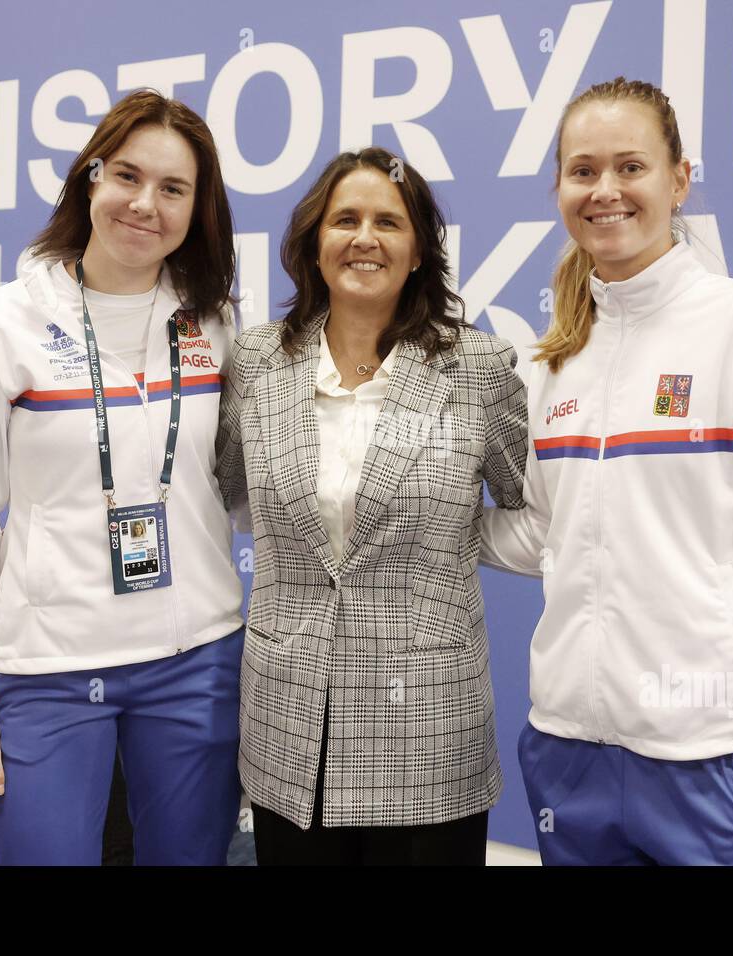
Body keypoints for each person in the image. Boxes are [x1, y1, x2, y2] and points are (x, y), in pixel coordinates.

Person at [478, 77, 733, 866]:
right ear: (559, 189)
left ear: (679, 180)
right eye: (582, 171)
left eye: (630, 167)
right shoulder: (553, 359)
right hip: (567, 749)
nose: (605, 190)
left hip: (711, 757)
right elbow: (546, 532)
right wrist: (420, 516)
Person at [0, 90, 246, 865]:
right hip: (48, 669)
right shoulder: (2, 327)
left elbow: (243, 493)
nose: (144, 204)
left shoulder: (216, 325)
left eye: (173, 189)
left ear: (199, 210)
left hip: (194, 659)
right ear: (89, 178)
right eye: (127, 176)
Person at [215, 146, 528, 865]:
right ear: (313, 244)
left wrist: (442, 543)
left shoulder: (478, 368)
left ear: (418, 250)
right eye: (344, 219)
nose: (364, 237)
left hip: (428, 729)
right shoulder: (257, 363)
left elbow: (523, 504)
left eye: (388, 221)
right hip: (289, 728)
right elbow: (233, 494)